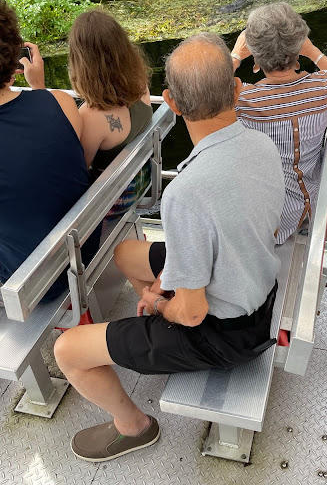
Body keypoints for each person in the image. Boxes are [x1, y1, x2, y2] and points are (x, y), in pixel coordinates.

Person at [54, 32, 285, 462]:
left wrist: (160, 304)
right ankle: (147, 337)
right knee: (126, 254)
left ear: (172, 104)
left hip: (226, 334)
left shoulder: (187, 192)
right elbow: (236, 229)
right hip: (258, 286)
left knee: (67, 350)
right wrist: (167, 283)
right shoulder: (262, 144)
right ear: (237, 89)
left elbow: (192, 313)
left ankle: (134, 426)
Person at [231, 2, 327, 244]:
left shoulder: (243, 100)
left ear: (255, 58)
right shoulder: (323, 88)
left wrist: (236, 56)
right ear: (299, 47)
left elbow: (207, 95)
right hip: (305, 204)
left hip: (263, 216)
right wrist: (313, 52)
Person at [0, 0, 99, 298]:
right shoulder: (62, 102)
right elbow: (39, 151)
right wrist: (39, 88)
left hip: (32, 282)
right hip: (83, 249)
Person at [68, 10, 153, 216]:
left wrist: (38, 88)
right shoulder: (139, 82)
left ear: (81, 62)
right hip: (141, 179)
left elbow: (76, 173)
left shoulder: (90, 116)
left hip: (113, 199)